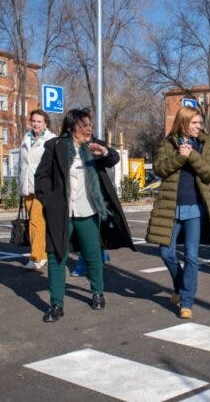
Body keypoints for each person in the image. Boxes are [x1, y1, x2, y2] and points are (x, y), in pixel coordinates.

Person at [35, 108, 134, 323]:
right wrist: (50, 202)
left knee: (92, 255)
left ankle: (97, 292)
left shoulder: (94, 146)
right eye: (84, 125)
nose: (89, 128)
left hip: (88, 211)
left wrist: (104, 153)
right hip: (61, 213)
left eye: (90, 125)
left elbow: (113, 158)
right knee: (56, 256)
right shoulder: (56, 146)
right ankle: (56, 304)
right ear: (72, 128)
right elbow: (41, 177)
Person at [146, 106, 210, 319]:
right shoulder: (168, 143)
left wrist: (192, 155)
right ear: (184, 122)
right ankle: (180, 286)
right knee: (166, 252)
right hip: (170, 206)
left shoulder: (205, 144)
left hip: (195, 207)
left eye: (200, 123)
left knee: (191, 257)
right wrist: (179, 156)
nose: (199, 127)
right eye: (195, 123)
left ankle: (186, 302)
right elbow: (159, 169)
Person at [18, 109, 56, 270]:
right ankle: (43, 253)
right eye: (33, 121)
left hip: (42, 187)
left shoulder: (51, 139)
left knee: (36, 221)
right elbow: (21, 165)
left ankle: (37, 257)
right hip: (26, 186)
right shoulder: (26, 138)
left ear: (45, 123)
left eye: (39, 121)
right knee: (34, 223)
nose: (35, 124)